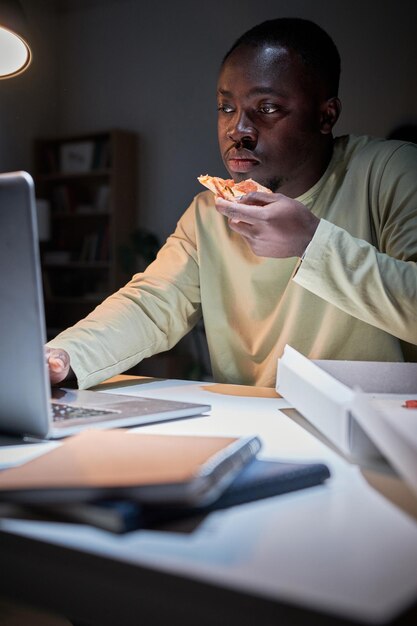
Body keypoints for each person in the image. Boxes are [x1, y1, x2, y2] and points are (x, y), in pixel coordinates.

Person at [46, 17, 417, 390]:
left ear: (326, 116)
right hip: (252, 423)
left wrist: (311, 241)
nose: (237, 130)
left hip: (377, 426)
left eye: (267, 108)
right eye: (226, 108)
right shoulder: (209, 211)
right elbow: (153, 304)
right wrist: (62, 356)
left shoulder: (391, 171)